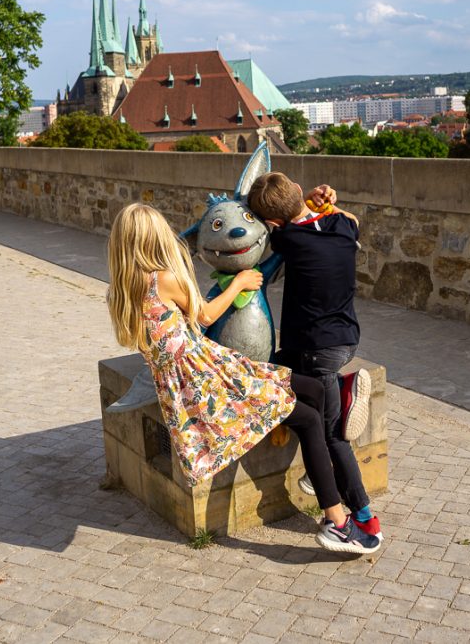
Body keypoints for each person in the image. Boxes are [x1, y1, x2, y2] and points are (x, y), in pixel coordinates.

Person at [106, 203, 381, 555]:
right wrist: (239, 282)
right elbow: (205, 316)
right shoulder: (164, 279)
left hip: (202, 373)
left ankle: (333, 419)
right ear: (153, 239)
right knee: (310, 419)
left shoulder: (122, 288)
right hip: (208, 383)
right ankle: (339, 523)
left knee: (312, 388)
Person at [248, 172, 382, 541]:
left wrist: (289, 210)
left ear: (273, 222)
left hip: (317, 351)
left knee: (330, 436)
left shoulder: (287, 238)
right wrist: (317, 203)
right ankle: (341, 388)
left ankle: (364, 515)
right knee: (280, 365)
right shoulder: (342, 224)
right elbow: (347, 220)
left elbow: (262, 238)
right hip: (345, 341)